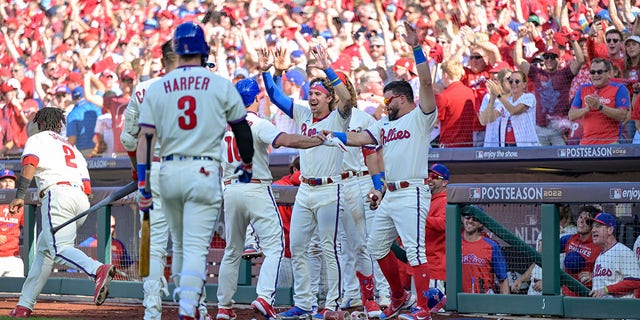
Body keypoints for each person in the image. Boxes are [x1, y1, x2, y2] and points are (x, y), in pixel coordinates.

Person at [319, 21, 438, 320]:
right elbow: (362, 138)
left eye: (388, 99)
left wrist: (415, 47)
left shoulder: (420, 118)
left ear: (402, 98)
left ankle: (424, 307)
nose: (384, 104)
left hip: (412, 190)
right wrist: (335, 136)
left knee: (415, 252)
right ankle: (399, 296)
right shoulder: (384, 124)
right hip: (390, 193)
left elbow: (425, 83)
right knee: (376, 245)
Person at [136, 22, 254, 320]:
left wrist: (142, 182)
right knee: (194, 248)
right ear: (204, 52)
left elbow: (144, 140)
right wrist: (248, 163)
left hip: (166, 171)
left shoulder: (157, 86)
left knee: (164, 246)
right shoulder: (219, 84)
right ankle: (191, 310)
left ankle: (165, 310)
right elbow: (241, 130)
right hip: (202, 169)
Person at [216, 78, 337, 319]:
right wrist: (315, 140)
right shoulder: (257, 123)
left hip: (230, 189)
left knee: (232, 251)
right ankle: (264, 296)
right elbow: (286, 140)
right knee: (274, 247)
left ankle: (224, 307)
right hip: (255, 187)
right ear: (257, 99)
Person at [259, 44, 353, 319]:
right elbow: (276, 97)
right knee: (297, 247)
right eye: (310, 93)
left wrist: (326, 67)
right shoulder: (301, 112)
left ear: (328, 98)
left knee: (329, 248)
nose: (312, 97)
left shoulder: (339, 115)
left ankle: (332, 304)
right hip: (306, 189)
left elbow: (346, 98)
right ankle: (304, 302)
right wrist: (269, 72)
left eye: (318, 94)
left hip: (329, 189)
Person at [7, 107, 116, 318]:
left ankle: (97, 270)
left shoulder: (38, 138)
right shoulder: (72, 147)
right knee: (45, 251)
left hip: (57, 193)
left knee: (58, 249)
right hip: (81, 199)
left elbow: (30, 163)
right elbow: (87, 187)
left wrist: (20, 194)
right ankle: (24, 305)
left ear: (39, 123)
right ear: (59, 125)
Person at [121, 40, 181, 320]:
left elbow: (128, 138)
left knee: (152, 246)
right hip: (191, 171)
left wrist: (137, 174)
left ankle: (152, 311)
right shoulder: (204, 88)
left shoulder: (145, 89)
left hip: (155, 171)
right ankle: (198, 309)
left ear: (162, 60)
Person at [514, 33, 584, 146]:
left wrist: (572, 40)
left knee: (562, 160)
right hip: (540, 129)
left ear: (559, 59)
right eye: (546, 57)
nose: (549, 60)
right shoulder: (537, 74)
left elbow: (580, 60)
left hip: (560, 130)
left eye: (552, 57)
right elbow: (518, 60)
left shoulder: (565, 74)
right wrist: (520, 38)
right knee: (541, 161)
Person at [569, 58, 630, 145]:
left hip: (610, 143)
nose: (596, 75)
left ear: (608, 73)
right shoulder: (583, 88)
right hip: (586, 144)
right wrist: (586, 109)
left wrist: (600, 106)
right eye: (593, 72)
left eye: (599, 72)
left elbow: (622, 116)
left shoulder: (619, 88)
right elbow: (571, 115)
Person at [589, 212, 640, 298]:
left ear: (610, 230)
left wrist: (607, 290)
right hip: (600, 308)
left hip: (620, 309)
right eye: (593, 226)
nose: (593, 230)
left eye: (598, 226)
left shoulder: (623, 251)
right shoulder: (599, 257)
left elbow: (635, 281)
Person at [460, 211, 510, 295]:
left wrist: (505, 306)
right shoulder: (455, 242)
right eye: (468, 217)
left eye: (475, 219)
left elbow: (503, 278)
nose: (470, 221)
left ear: (481, 224)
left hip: (484, 298)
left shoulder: (492, 246)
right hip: (459, 299)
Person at [486, 70, 539, 146]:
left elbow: (513, 110)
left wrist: (499, 95)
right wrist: (492, 97)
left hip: (525, 145)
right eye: (511, 81)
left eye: (517, 81)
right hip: (507, 146)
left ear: (524, 85)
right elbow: (490, 118)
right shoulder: (506, 101)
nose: (513, 84)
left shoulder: (529, 97)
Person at [559, 205, 602, 296]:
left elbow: (610, 273)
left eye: (586, 220)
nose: (581, 221)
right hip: (565, 295)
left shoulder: (599, 246)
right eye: (580, 217)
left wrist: (593, 276)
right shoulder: (570, 239)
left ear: (593, 225)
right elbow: (544, 250)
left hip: (586, 295)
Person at [434, 60, 475, 147]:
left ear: (445, 75)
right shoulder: (470, 92)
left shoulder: (443, 96)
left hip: (448, 145)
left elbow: (434, 123)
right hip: (467, 145)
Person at [425, 164, 449, 297]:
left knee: (433, 309)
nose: (430, 179)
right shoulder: (425, 199)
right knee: (418, 308)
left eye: (435, 176)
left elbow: (443, 224)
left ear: (445, 182)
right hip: (419, 263)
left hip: (435, 264)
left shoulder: (446, 200)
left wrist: (421, 218)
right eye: (428, 175)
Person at [0, 169, 23, 277]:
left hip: (13, 257)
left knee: (16, 291)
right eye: (4, 180)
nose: (8, 183)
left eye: (10, 181)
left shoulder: (20, 206)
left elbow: (29, 226)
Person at [66, 87, 102, 157]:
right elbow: (101, 88)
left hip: (84, 152)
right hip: (100, 149)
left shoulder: (72, 114)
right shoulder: (97, 106)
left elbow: (72, 140)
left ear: (73, 99)